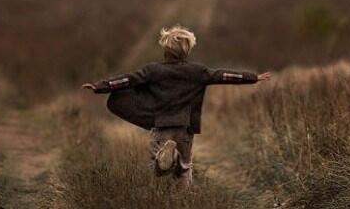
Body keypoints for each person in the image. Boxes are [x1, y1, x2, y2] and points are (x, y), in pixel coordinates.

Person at [82, 25, 271, 187]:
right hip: (184, 127)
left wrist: (101, 86)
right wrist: (252, 77)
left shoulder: (153, 70)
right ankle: (180, 177)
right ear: (187, 51)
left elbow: (127, 80)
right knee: (185, 168)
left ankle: (167, 162)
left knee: (157, 171)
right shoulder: (197, 71)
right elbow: (223, 75)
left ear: (165, 50)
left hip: (161, 125)